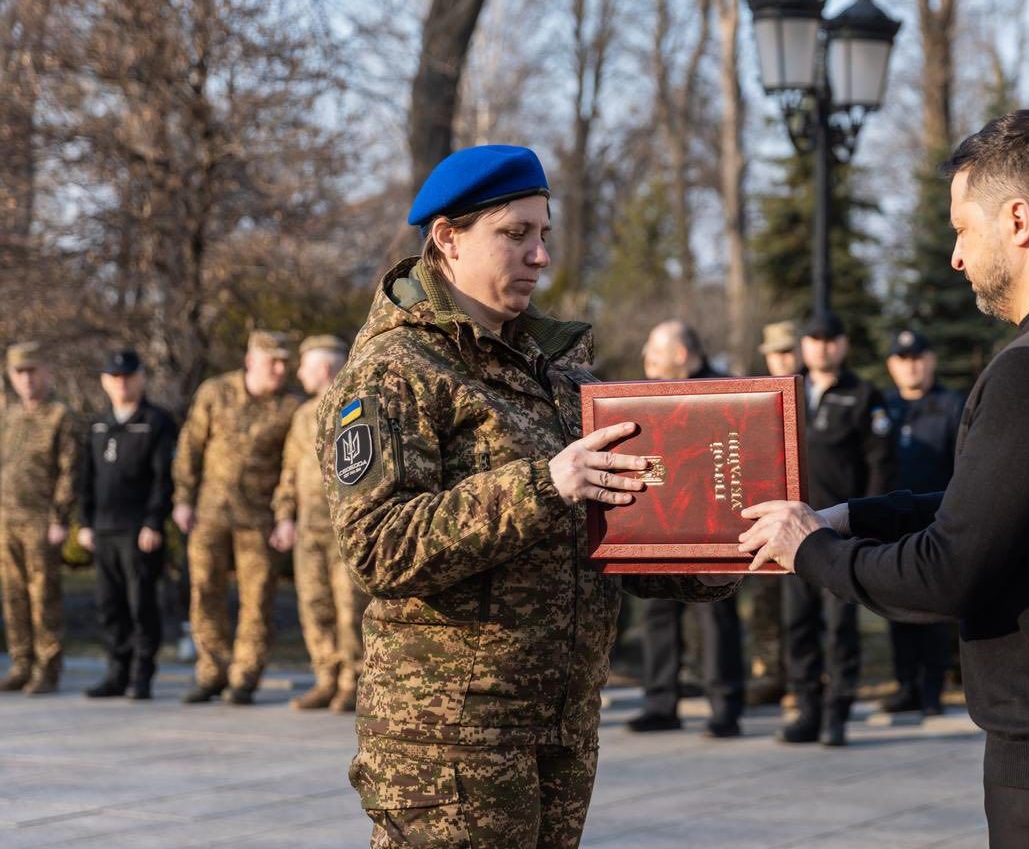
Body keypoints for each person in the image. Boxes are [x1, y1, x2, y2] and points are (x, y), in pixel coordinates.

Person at [740, 110, 1029, 849]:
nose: (956, 257)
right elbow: (1015, 506)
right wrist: (851, 517)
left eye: (963, 229)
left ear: (1018, 220)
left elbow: (947, 573)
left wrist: (812, 552)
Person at [321, 144, 738, 848]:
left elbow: (607, 524)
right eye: (514, 234)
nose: (538, 255)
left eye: (543, 234)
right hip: (451, 738)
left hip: (559, 719)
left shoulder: (556, 371)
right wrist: (543, 484)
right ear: (447, 239)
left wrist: (720, 548)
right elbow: (379, 547)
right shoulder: (395, 372)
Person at [778, 311, 896, 747]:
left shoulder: (864, 395)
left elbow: (880, 465)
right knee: (798, 624)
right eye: (814, 338)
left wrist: (867, 522)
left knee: (840, 627)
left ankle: (836, 714)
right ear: (804, 344)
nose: (823, 346)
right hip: (790, 530)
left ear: (843, 344)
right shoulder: (788, 390)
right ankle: (806, 711)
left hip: (838, 535)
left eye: (831, 339)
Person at [627, 320, 745, 738]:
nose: (648, 365)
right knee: (658, 611)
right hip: (663, 522)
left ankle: (724, 708)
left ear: (679, 355)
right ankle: (661, 703)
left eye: (654, 356)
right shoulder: (649, 398)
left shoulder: (727, 393)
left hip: (714, 527)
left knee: (716, 615)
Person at [172, 330, 302, 705]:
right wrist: (183, 498)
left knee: (257, 600)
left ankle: (245, 677)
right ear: (250, 361)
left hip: (258, 520)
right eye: (271, 362)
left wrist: (284, 516)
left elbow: (290, 467)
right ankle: (211, 671)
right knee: (204, 593)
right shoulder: (216, 392)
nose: (279, 370)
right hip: (209, 513)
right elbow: (190, 448)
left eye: (284, 363)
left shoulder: (290, 406)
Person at [270, 335, 368, 713]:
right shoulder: (302, 415)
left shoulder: (357, 408)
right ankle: (326, 678)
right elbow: (289, 472)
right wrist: (284, 517)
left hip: (345, 530)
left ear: (325, 369)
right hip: (307, 529)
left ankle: (352, 681)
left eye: (304, 366)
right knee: (314, 604)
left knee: (349, 606)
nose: (298, 373)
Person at [77, 349, 178, 700]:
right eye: (114, 377)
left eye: (128, 376)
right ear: (105, 382)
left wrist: (153, 521)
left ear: (141, 378)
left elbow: (164, 480)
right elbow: (85, 479)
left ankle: (141, 675)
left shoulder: (157, 422)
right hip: (103, 530)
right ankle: (116, 673)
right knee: (109, 605)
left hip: (139, 532)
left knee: (141, 604)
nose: (121, 383)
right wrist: (85, 523)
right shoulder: (98, 425)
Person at [879, 328, 965, 719]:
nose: (911, 366)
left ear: (930, 361)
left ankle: (933, 687)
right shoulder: (883, 408)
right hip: (894, 524)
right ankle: (906, 685)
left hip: (935, 523)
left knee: (931, 609)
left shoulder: (951, 406)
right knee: (895, 605)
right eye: (903, 360)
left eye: (918, 358)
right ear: (892, 366)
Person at [0, 342, 79, 695]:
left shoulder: (60, 416)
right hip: (6, 520)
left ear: (47, 370)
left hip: (40, 520)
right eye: (20, 372)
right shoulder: (8, 415)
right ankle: (21, 662)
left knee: (43, 595)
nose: (27, 379)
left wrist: (60, 518)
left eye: (33, 371)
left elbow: (69, 472)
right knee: (13, 595)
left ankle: (47, 667)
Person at [745, 319, 798, 708]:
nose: (782, 359)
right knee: (765, 606)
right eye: (776, 352)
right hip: (763, 518)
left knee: (804, 609)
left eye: (787, 350)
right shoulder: (754, 398)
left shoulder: (814, 393)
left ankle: (803, 681)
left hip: (810, 520)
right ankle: (770, 674)